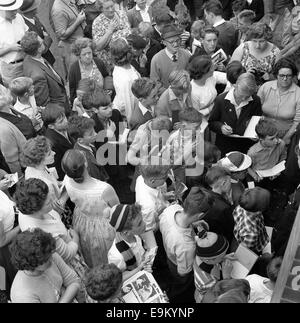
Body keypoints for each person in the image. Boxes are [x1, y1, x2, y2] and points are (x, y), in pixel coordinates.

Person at [62, 149, 119, 267]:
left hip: (81, 221)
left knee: (91, 253)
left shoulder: (67, 179)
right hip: (103, 226)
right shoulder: (104, 189)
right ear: (86, 164)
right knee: (108, 254)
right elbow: (117, 209)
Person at [159, 187, 214, 303]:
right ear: (200, 215)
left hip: (169, 253)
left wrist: (194, 224)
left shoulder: (173, 209)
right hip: (178, 266)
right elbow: (183, 271)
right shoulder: (187, 246)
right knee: (182, 283)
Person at [10, 228, 80, 303]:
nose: (52, 258)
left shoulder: (49, 254)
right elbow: (72, 285)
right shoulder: (22, 295)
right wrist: (67, 293)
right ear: (32, 264)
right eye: (46, 259)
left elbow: (74, 281)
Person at [209, 73, 262, 156]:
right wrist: (221, 127)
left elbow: (257, 121)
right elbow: (212, 122)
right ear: (235, 86)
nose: (244, 99)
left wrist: (256, 134)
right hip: (225, 145)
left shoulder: (256, 100)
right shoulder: (221, 100)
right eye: (241, 95)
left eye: (247, 96)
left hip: (245, 145)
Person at [21, 136, 70, 223]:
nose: (54, 153)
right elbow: (57, 209)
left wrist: (60, 183)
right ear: (39, 160)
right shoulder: (44, 185)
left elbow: (52, 179)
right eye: (49, 153)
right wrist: (67, 190)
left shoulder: (33, 167)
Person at [21, 31, 70, 115]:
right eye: (42, 41)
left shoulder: (30, 57)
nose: (44, 41)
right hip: (59, 111)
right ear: (39, 49)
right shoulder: (37, 76)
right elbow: (45, 105)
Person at [257, 58, 300, 144]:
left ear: (293, 76)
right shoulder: (265, 87)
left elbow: (297, 122)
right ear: (276, 75)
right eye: (282, 75)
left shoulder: (298, 93)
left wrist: (286, 139)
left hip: (285, 135)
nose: (285, 79)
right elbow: (255, 110)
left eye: (288, 75)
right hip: (262, 134)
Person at [108, 203, 153, 281]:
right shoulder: (117, 256)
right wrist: (139, 269)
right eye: (139, 224)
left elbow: (140, 245)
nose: (144, 224)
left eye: (142, 220)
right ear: (126, 232)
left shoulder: (135, 234)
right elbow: (119, 277)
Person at [204, 165, 244, 243]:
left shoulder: (206, 194)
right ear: (224, 183)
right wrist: (231, 205)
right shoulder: (224, 208)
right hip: (223, 239)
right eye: (230, 181)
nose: (231, 183)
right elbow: (231, 227)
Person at [193, 229, 235, 303]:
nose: (225, 255)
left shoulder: (201, 255)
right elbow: (220, 296)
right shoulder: (208, 282)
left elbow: (213, 259)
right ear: (209, 260)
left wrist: (223, 258)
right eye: (222, 256)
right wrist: (226, 277)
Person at [92, 0, 131, 74]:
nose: (111, 9)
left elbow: (129, 32)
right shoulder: (97, 22)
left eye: (112, 6)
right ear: (101, 9)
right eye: (107, 8)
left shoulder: (121, 14)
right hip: (110, 61)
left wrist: (110, 38)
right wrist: (109, 31)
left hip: (127, 56)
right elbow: (98, 47)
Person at [69, 37, 110, 105]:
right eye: (84, 54)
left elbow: (107, 77)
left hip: (103, 102)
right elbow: (72, 91)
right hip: (85, 106)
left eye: (89, 53)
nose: (87, 56)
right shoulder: (74, 69)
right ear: (79, 55)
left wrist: (109, 90)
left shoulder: (99, 62)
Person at [68, 115, 109, 182]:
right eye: (91, 134)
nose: (95, 134)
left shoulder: (87, 143)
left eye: (94, 130)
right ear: (80, 140)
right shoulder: (86, 162)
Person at [50, 0, 86, 77]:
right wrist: (78, 21)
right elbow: (62, 35)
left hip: (79, 46)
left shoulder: (69, 1)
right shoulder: (58, 10)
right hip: (71, 50)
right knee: (76, 77)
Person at [150, 23, 191, 89]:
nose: (175, 44)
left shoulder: (186, 55)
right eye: (171, 42)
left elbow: (190, 75)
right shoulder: (156, 60)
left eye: (178, 40)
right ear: (164, 42)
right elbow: (155, 83)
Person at [232, 187, 270, 254]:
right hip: (257, 244)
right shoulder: (252, 232)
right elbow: (246, 248)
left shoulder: (241, 206)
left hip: (240, 233)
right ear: (259, 211)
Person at [110, 38, 141, 121]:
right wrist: (131, 124)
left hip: (135, 108)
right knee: (123, 133)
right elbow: (127, 104)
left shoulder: (128, 66)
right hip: (123, 116)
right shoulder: (124, 78)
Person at [42, 104, 74, 181]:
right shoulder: (51, 143)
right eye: (61, 121)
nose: (66, 121)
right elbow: (57, 170)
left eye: (65, 117)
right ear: (51, 126)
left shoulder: (64, 127)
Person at [0, 0, 28, 86]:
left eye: (16, 9)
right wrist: (10, 48)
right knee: (15, 96)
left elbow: (27, 34)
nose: (16, 12)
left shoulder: (19, 17)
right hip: (10, 69)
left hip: (27, 63)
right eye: (12, 10)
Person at [19, 0, 55, 66]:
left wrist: (46, 39)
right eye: (35, 7)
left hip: (48, 58)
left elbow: (48, 35)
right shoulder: (24, 26)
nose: (37, 7)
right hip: (40, 62)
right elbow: (40, 48)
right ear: (30, 10)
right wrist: (46, 38)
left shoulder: (35, 17)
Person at [0, 188, 19, 298]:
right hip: (5, 252)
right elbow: (1, 241)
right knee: (14, 280)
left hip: (11, 237)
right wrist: (21, 226)